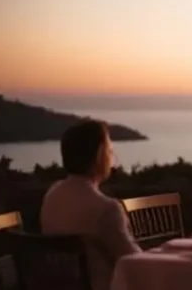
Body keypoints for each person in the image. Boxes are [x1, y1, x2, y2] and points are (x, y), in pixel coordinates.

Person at [41, 120, 141, 290]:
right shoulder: (106, 209)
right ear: (99, 155)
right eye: (110, 150)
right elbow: (135, 264)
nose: (112, 157)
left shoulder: (52, 194)